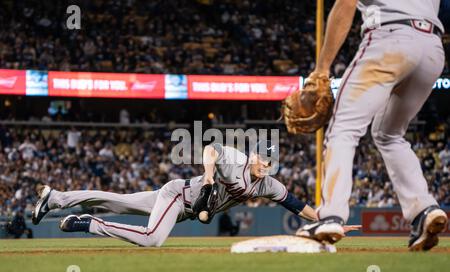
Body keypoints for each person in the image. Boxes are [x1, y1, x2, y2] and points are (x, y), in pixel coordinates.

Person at [297, 0, 448, 251]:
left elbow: (345, 4)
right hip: (432, 48)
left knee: (343, 128)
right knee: (389, 134)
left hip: (389, 37)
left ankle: (330, 216)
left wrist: (321, 69)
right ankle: (424, 209)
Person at [32, 140, 359, 247]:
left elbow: (299, 207)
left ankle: (56, 198)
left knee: (111, 199)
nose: (265, 164)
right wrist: (207, 176)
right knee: (152, 239)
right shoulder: (238, 160)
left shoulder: (269, 185)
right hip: (180, 195)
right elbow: (210, 149)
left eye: (270, 161)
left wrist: (329, 222)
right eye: (263, 158)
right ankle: (88, 222)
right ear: (255, 154)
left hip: (185, 203)